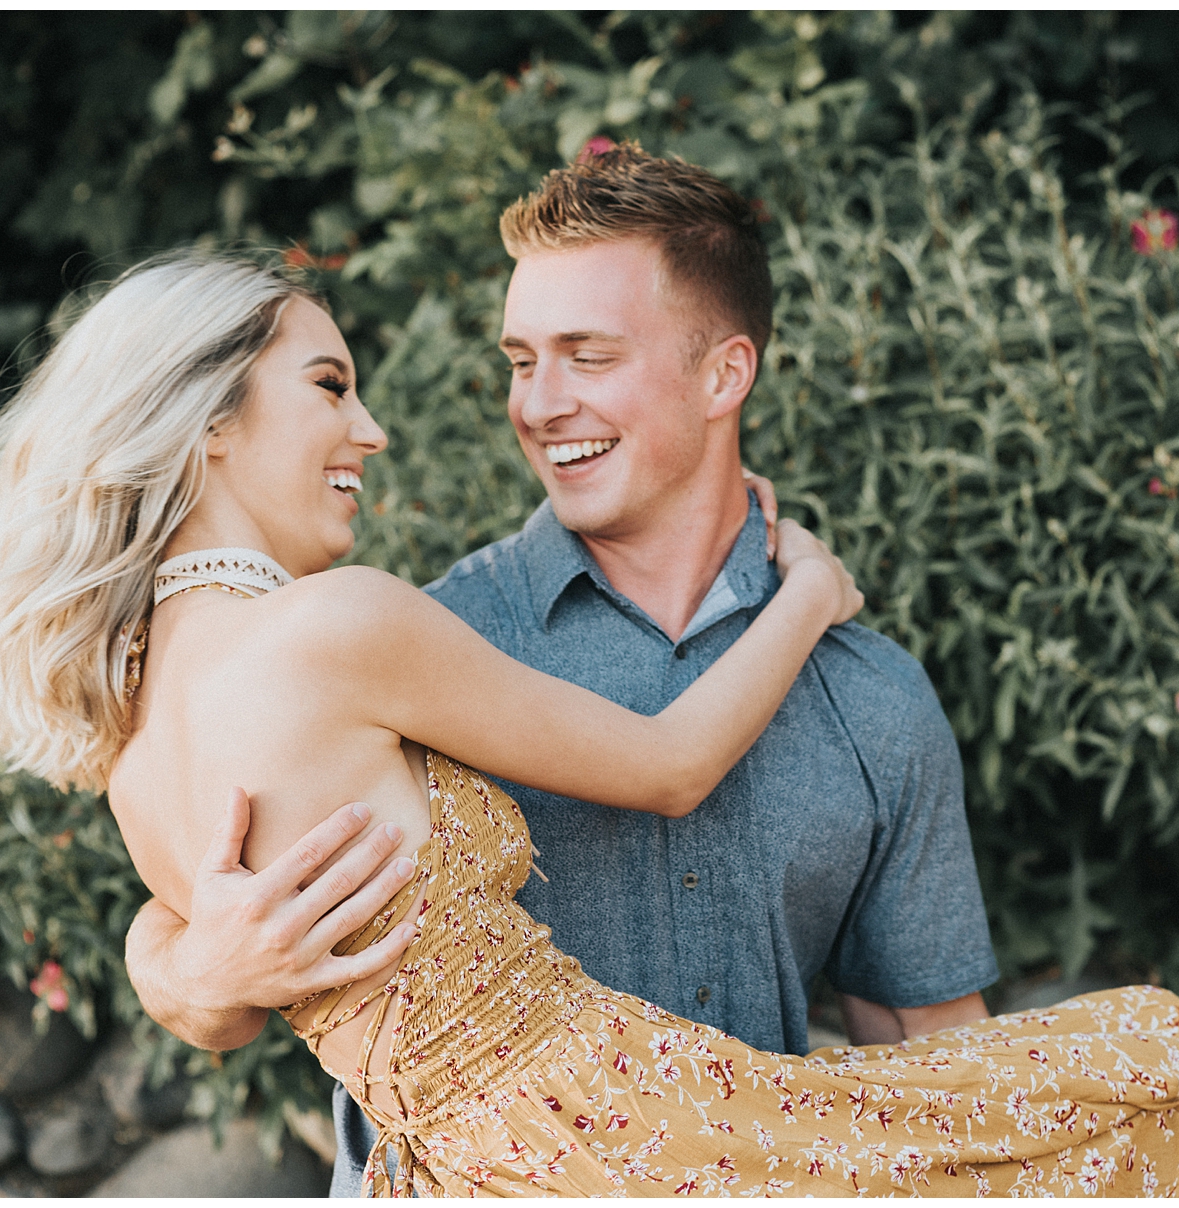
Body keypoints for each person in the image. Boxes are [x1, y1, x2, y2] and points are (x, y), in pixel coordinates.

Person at [0, 235, 1179, 1196]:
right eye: (329, 386)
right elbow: (673, 767)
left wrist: (171, 952)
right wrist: (814, 595)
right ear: (213, 417)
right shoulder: (361, 624)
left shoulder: (128, 736)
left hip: (488, 1173)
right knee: (1165, 1056)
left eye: (587, 355)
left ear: (726, 373)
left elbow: (218, 925)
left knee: (1128, 1107)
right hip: (616, 1134)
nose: (371, 427)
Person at [125, 144, 1004, 1195]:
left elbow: (935, 1063)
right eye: (519, 360)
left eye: (587, 356)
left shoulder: (870, 698)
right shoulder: (426, 636)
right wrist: (187, 974)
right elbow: (197, 870)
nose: (539, 405)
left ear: (726, 372)